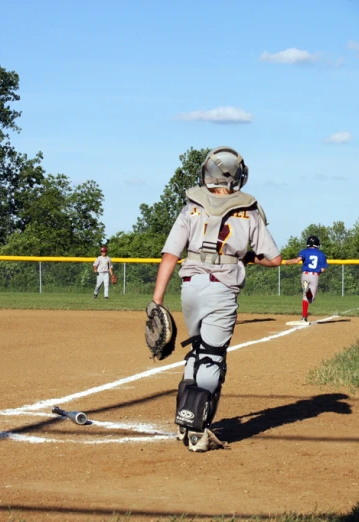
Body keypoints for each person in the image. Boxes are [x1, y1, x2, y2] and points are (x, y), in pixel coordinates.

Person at [151, 146, 282, 452]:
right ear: (238, 176)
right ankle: (196, 430)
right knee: (212, 357)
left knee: (197, 352)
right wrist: (248, 257)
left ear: (207, 172)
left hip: (190, 286)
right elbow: (274, 259)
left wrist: (157, 300)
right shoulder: (249, 210)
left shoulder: (190, 207)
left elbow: (171, 254)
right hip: (221, 289)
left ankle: (186, 421)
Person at [283, 235, 328, 323]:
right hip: (315, 275)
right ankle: (305, 313)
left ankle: (304, 317)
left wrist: (288, 261)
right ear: (318, 244)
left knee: (305, 296)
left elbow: (296, 261)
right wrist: (319, 270)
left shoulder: (304, 251)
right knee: (310, 299)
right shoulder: (321, 254)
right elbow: (323, 269)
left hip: (305, 274)